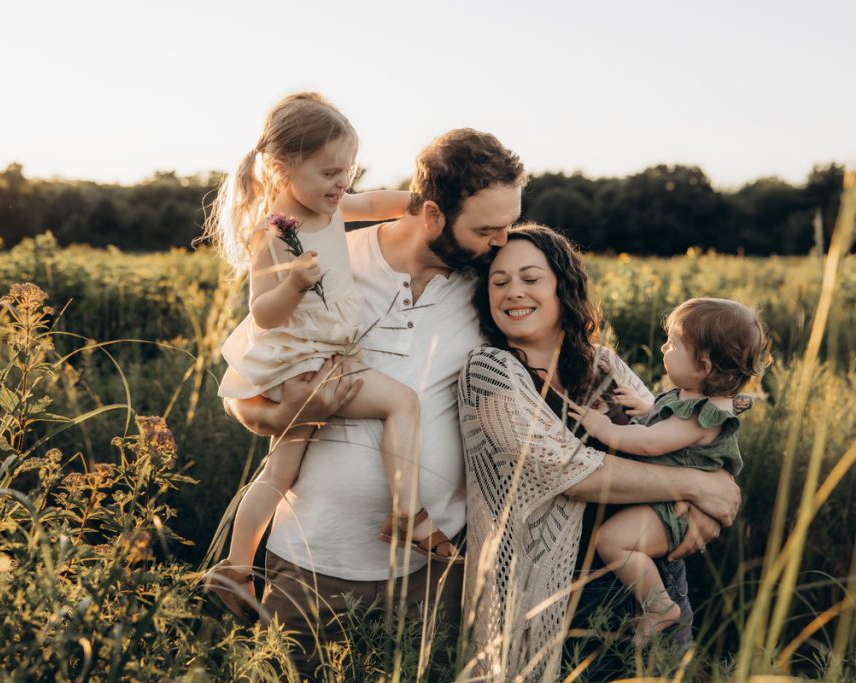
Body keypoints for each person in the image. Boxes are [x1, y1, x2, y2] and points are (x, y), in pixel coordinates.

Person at [221, 127, 526, 678]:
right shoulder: (325, 255)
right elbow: (245, 391)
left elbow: (568, 355)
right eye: (486, 228)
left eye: (507, 225)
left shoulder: (493, 286)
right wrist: (286, 414)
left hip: (429, 574)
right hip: (311, 567)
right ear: (432, 214)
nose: (502, 241)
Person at [200, 93, 463, 625]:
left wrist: (428, 204)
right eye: (329, 172)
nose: (342, 183)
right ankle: (407, 513)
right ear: (281, 167)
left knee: (281, 472)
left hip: (326, 355)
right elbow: (264, 314)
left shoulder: (335, 205)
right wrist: (294, 284)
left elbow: (379, 203)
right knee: (403, 404)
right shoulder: (274, 234)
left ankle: (235, 565)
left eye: (348, 171)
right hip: (306, 361)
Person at [458, 225, 741, 681]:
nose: (514, 292)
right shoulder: (489, 371)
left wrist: (713, 501)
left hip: (657, 583)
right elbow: (571, 472)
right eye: (499, 281)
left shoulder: (602, 364)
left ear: (562, 287)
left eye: (530, 279)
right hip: (561, 600)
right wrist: (699, 487)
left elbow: (677, 443)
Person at [569, 297, 766, 638]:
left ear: (704, 365)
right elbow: (668, 414)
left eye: (673, 343)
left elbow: (650, 443)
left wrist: (602, 428)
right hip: (666, 499)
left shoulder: (705, 415)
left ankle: (658, 604)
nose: (664, 347)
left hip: (669, 509)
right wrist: (645, 405)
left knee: (613, 540)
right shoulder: (690, 396)